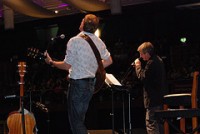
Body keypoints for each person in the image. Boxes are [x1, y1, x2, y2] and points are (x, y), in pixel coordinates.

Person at [44, 14, 113, 134]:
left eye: (82, 20)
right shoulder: (98, 41)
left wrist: (51, 62)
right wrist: (91, 67)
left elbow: (67, 65)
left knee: (76, 122)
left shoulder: (74, 41)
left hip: (78, 85)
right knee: (79, 120)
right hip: (91, 84)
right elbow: (109, 61)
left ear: (83, 24)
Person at [134, 42, 167, 134]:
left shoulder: (151, 63)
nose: (140, 56)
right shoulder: (158, 60)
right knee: (158, 124)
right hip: (158, 98)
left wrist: (138, 66)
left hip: (153, 99)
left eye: (141, 54)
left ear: (147, 53)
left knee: (151, 124)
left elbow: (143, 77)